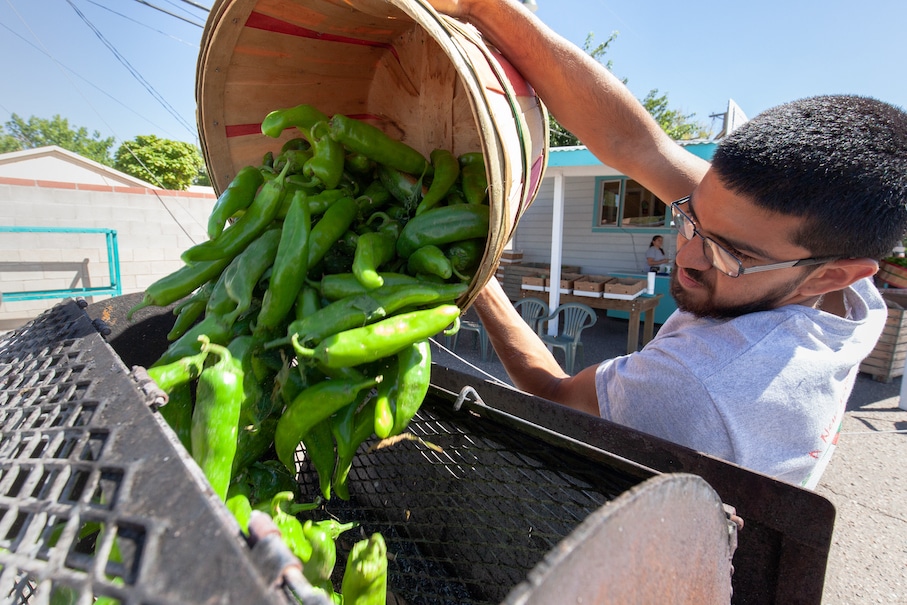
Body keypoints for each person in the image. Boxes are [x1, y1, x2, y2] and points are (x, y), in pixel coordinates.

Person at [427, 0, 907, 487]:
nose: (687, 256)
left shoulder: (698, 383)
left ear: (834, 274)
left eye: (732, 254)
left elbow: (554, 394)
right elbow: (635, 143)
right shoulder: (815, 266)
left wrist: (482, 273)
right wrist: (483, 8)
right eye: (690, 217)